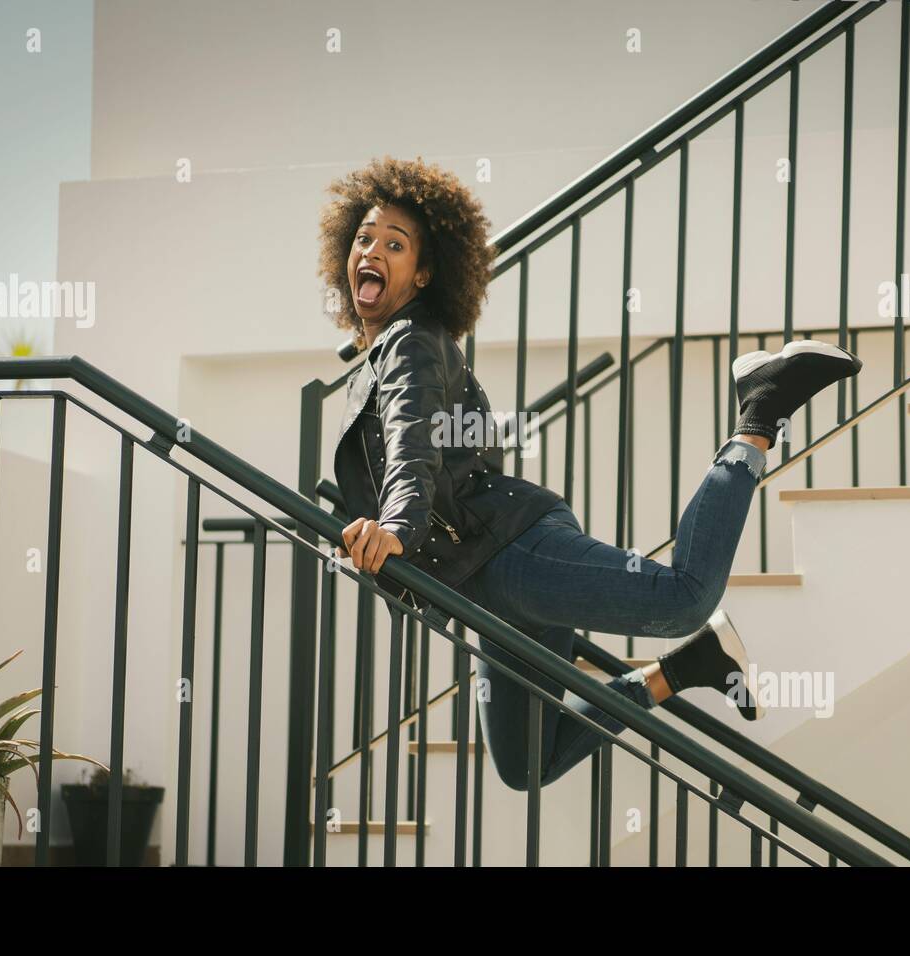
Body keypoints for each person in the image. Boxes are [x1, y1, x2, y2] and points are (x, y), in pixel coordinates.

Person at [321, 156, 861, 791]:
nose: (373, 251)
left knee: (683, 595)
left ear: (424, 273)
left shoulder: (412, 341)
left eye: (395, 244)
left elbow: (414, 453)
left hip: (514, 556)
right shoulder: (383, 356)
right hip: (486, 587)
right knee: (526, 767)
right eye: (364, 238)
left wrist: (395, 528)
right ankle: (688, 668)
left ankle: (759, 413)